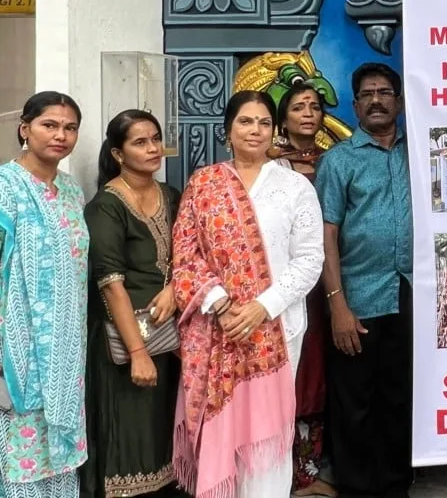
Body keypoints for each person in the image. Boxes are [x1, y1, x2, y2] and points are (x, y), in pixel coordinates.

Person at [172, 91, 324, 498]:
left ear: (274, 131)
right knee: (222, 434)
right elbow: (185, 255)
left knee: (266, 441)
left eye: (263, 122)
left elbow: (310, 259)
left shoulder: (294, 186)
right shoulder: (204, 184)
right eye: (245, 121)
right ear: (228, 130)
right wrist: (221, 305)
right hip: (216, 328)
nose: (255, 130)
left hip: (275, 329)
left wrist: (262, 307)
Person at [0, 92, 89, 498]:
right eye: (50, 125)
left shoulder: (71, 191)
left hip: (63, 359)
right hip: (10, 355)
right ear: (24, 128)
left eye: (70, 128)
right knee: (14, 465)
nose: (61, 135)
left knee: (57, 464)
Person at [315, 63, 414, 498]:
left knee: (399, 397)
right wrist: (337, 305)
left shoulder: (420, 152)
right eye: (367, 94)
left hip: (410, 294)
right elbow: (326, 236)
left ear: (400, 102)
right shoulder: (339, 161)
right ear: (355, 106)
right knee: (354, 403)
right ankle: (356, 489)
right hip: (356, 297)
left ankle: (396, 486)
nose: (376, 100)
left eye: (384, 92)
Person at [81, 110, 182, 498]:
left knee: (162, 429)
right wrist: (138, 353)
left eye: (155, 139)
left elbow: (188, 255)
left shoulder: (170, 195)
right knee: (129, 434)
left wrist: (174, 288)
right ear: (118, 154)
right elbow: (111, 285)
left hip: (169, 335)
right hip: (124, 341)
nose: (153, 148)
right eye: (140, 142)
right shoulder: (106, 206)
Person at [271, 82, 337, 496]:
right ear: (283, 119)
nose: (308, 113)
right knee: (294, 371)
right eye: (298, 107)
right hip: (290, 284)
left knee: (322, 373)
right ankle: (287, 474)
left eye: (314, 106)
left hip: (330, 279)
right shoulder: (271, 167)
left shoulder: (334, 161)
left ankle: (312, 470)